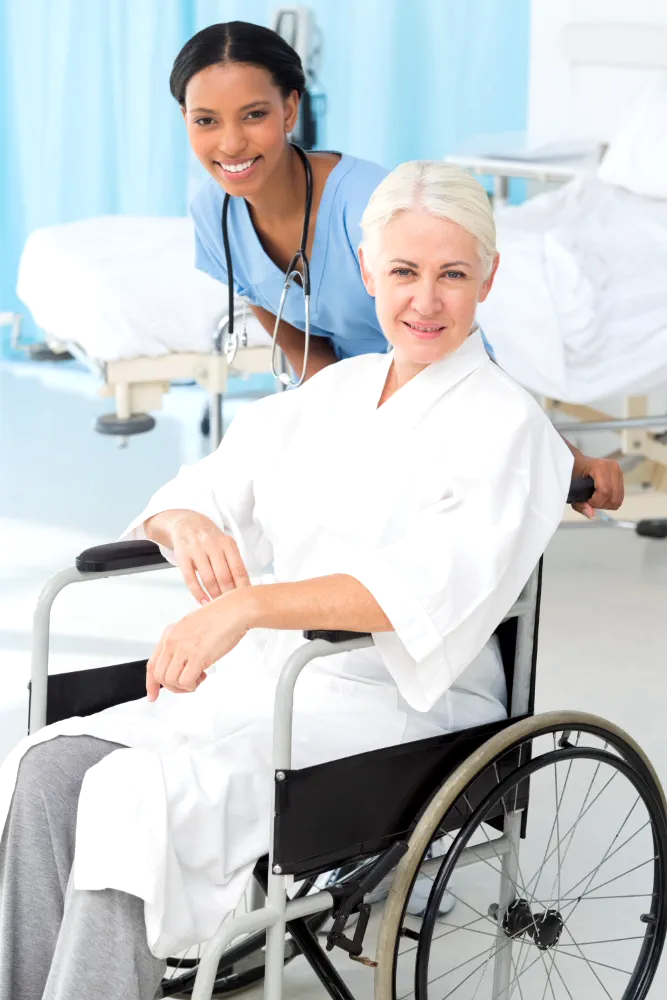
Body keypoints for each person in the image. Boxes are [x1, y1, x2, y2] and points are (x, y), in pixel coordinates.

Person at [0, 162, 574, 1000]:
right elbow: (204, 489)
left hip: (404, 702)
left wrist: (247, 607)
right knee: (47, 767)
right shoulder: (332, 393)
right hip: (273, 677)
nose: (426, 299)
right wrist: (184, 522)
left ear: (487, 277)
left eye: (452, 274)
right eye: (405, 272)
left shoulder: (507, 427)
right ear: (369, 270)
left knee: (132, 793)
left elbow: (424, 590)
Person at [177, 20, 622, 519]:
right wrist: (345, 415)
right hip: (357, 408)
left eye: (254, 114)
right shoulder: (211, 216)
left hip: (441, 389)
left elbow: (456, 342)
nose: (231, 143)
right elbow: (291, 329)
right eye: (206, 120)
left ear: (290, 110)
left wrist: (561, 454)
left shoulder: (367, 204)